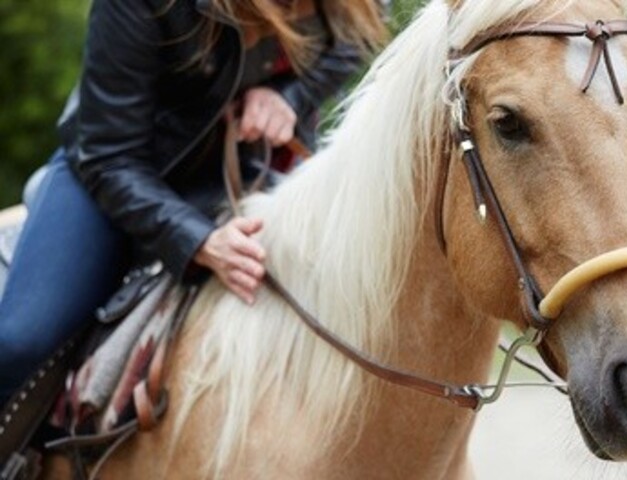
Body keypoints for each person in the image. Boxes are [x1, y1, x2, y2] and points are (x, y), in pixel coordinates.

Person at [0, 0, 387, 407]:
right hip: (116, 177)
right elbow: (108, 156)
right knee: (21, 342)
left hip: (239, 167)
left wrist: (290, 96)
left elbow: (364, 22)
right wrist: (200, 240)